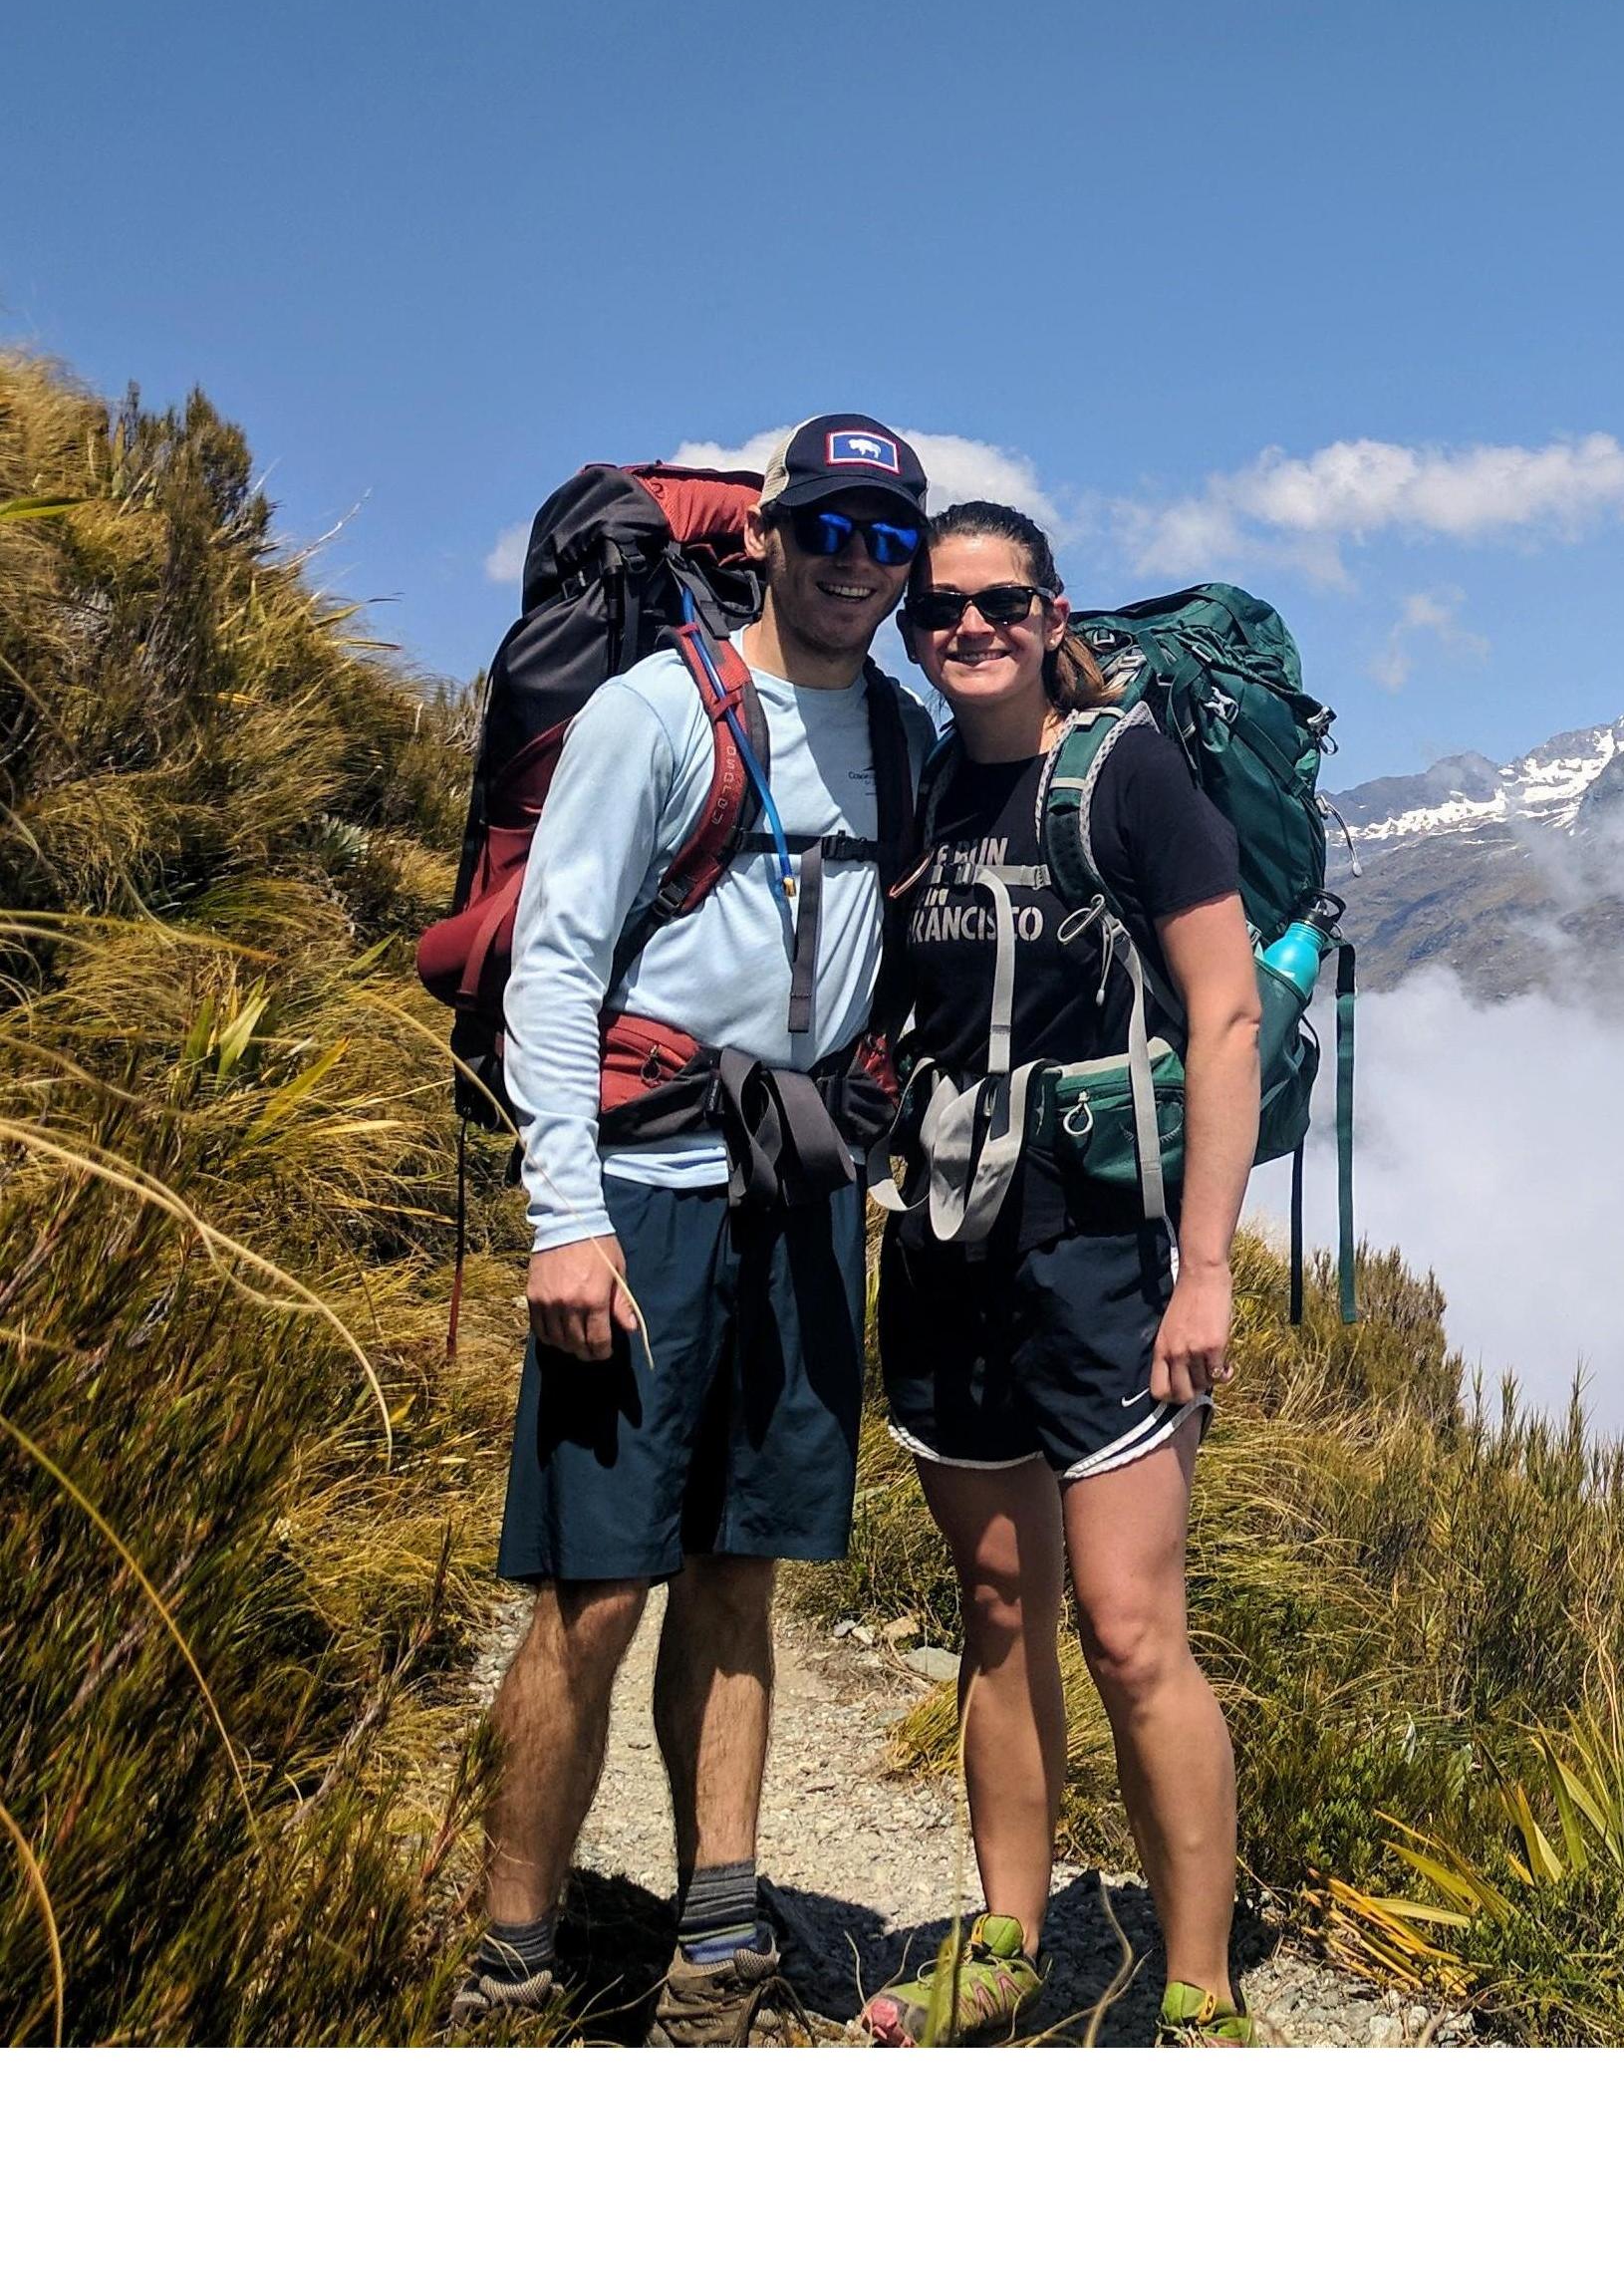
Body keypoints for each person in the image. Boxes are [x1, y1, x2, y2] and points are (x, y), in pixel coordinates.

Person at [461, 416, 937, 2044]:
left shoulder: (898, 729)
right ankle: (509, 1956)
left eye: (886, 541)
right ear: (777, 533)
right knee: (592, 1594)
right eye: (831, 530)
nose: (854, 565)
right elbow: (555, 964)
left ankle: (716, 1941)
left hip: (800, 1199)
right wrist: (563, 1219)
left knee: (739, 1579)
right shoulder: (654, 708)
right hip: (644, 1199)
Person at [862, 501, 1265, 2046]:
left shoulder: (1124, 771)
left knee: (1127, 1624)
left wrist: (1207, 1270)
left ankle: (1200, 1987)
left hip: (1103, 1253)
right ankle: (1009, 1940)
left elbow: (1223, 1014)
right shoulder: (920, 789)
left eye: (998, 602)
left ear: (1050, 611)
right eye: (939, 610)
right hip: (945, 1245)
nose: (966, 629)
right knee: (994, 1604)